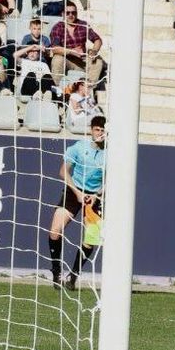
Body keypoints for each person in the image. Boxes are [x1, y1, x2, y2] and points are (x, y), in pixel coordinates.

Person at [47, 116, 106, 290]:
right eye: (97, 129)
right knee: (54, 231)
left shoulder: (111, 153)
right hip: (74, 191)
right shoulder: (78, 148)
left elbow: (113, 179)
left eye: (103, 130)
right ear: (91, 130)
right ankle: (56, 271)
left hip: (96, 196)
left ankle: (73, 276)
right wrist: (77, 192)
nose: (100, 133)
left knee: (91, 239)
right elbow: (63, 172)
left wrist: (96, 194)